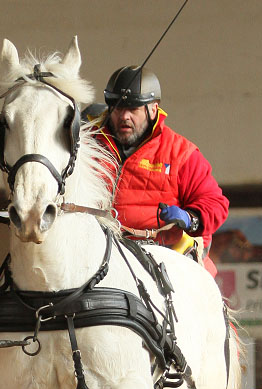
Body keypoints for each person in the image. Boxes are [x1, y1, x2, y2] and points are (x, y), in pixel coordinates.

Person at [86, 65, 229, 275]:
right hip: (95, 256)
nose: (124, 116)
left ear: (153, 109)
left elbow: (215, 203)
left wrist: (191, 218)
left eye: (133, 109)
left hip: (161, 260)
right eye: (117, 108)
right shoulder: (87, 145)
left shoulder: (181, 153)